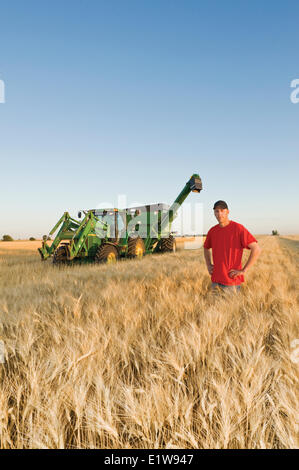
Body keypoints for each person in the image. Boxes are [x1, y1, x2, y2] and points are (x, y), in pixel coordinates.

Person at [203, 200, 261, 291]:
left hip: (231, 282)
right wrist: (208, 265)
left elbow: (256, 249)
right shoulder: (212, 231)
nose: (219, 214)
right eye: (216, 211)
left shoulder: (238, 228)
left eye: (222, 211)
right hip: (215, 280)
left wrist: (244, 270)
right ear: (214, 213)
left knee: (231, 305)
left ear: (228, 212)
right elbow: (206, 248)